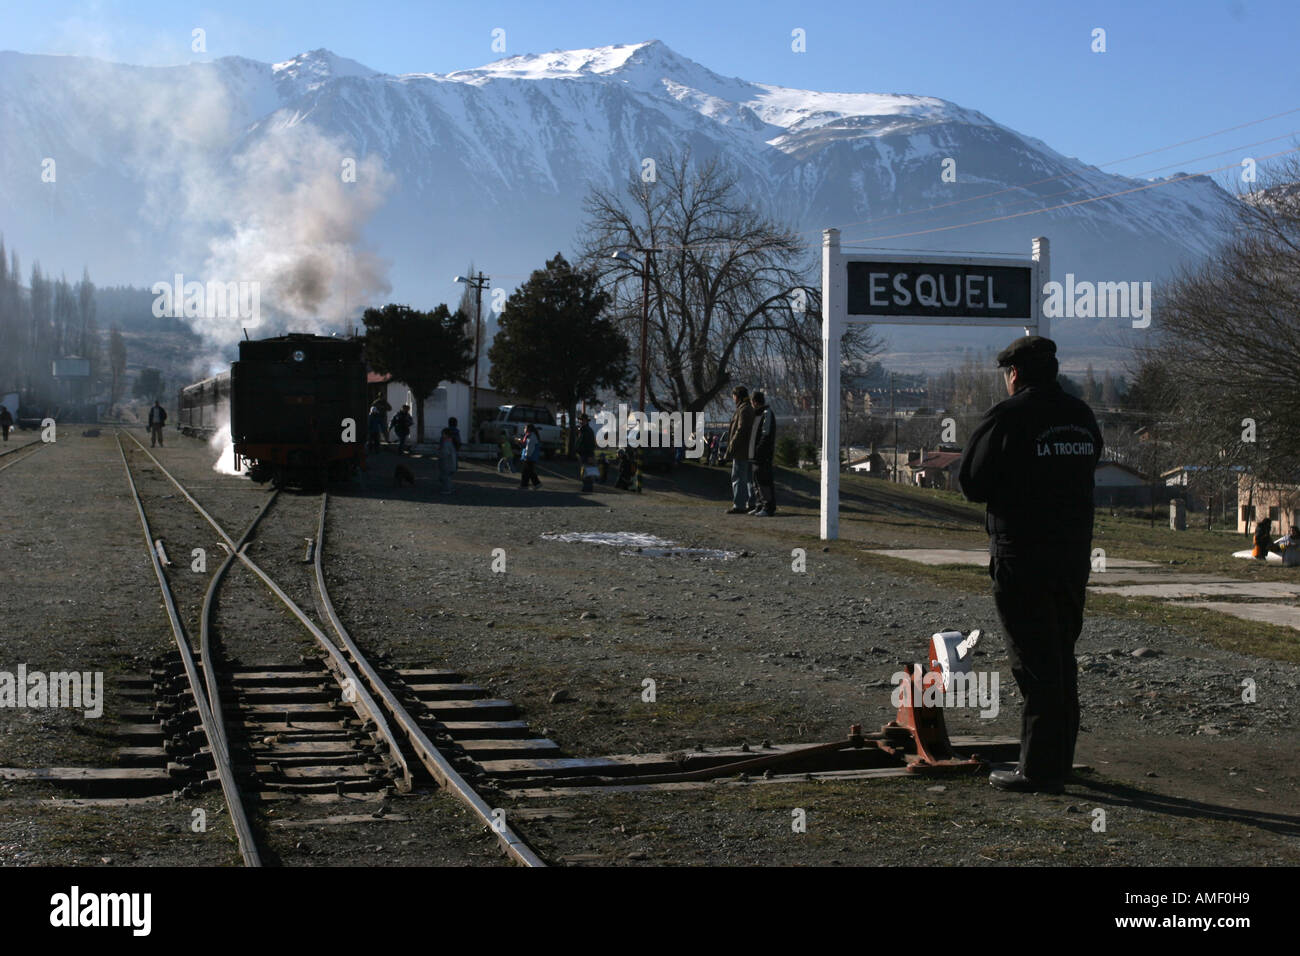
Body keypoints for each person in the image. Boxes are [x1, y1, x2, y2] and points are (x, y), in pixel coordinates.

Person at [957, 335, 1103, 795]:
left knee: (1035, 662)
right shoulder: (1081, 417)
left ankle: (1038, 771)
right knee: (1061, 655)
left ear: (1014, 375)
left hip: (1022, 555)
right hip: (1072, 557)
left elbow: (972, 482)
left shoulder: (1008, 417)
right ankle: (1059, 760)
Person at [724, 386, 756, 514]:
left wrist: (732, 445)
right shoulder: (750, 408)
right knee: (749, 479)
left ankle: (739, 505)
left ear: (738, 396)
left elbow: (741, 429)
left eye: (734, 397)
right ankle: (751, 503)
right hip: (749, 450)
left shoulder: (743, 410)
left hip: (741, 450)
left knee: (738, 478)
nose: (733, 400)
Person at [748, 390, 777, 516]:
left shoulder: (766, 414)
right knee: (756, 481)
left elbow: (766, 435)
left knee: (764, 481)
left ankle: (768, 506)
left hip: (762, 455)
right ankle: (760, 504)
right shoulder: (758, 414)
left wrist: (759, 450)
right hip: (754, 454)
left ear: (754, 402)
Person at [576, 413, 597, 492]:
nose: (581, 421)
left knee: (587, 471)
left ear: (586, 421)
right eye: (580, 420)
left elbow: (590, 444)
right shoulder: (584, 430)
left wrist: (589, 455)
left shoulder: (586, 430)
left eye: (582, 420)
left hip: (587, 454)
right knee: (586, 470)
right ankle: (587, 487)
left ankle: (587, 487)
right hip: (584, 454)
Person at [519, 423, 541, 489]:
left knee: (526, 472)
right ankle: (536, 484)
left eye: (525, 428)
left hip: (529, 457)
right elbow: (526, 446)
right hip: (530, 457)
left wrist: (527, 456)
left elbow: (530, 447)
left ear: (528, 429)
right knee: (529, 471)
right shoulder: (529, 436)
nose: (524, 429)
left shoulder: (531, 436)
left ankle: (524, 485)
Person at [437, 427, 458, 494]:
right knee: (448, 477)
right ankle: (450, 488)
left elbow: (445, 454)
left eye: (443, 434)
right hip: (452, 463)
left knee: (446, 477)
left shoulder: (446, 443)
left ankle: (447, 489)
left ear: (446, 435)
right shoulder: (451, 442)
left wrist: (439, 454)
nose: (442, 436)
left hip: (447, 464)